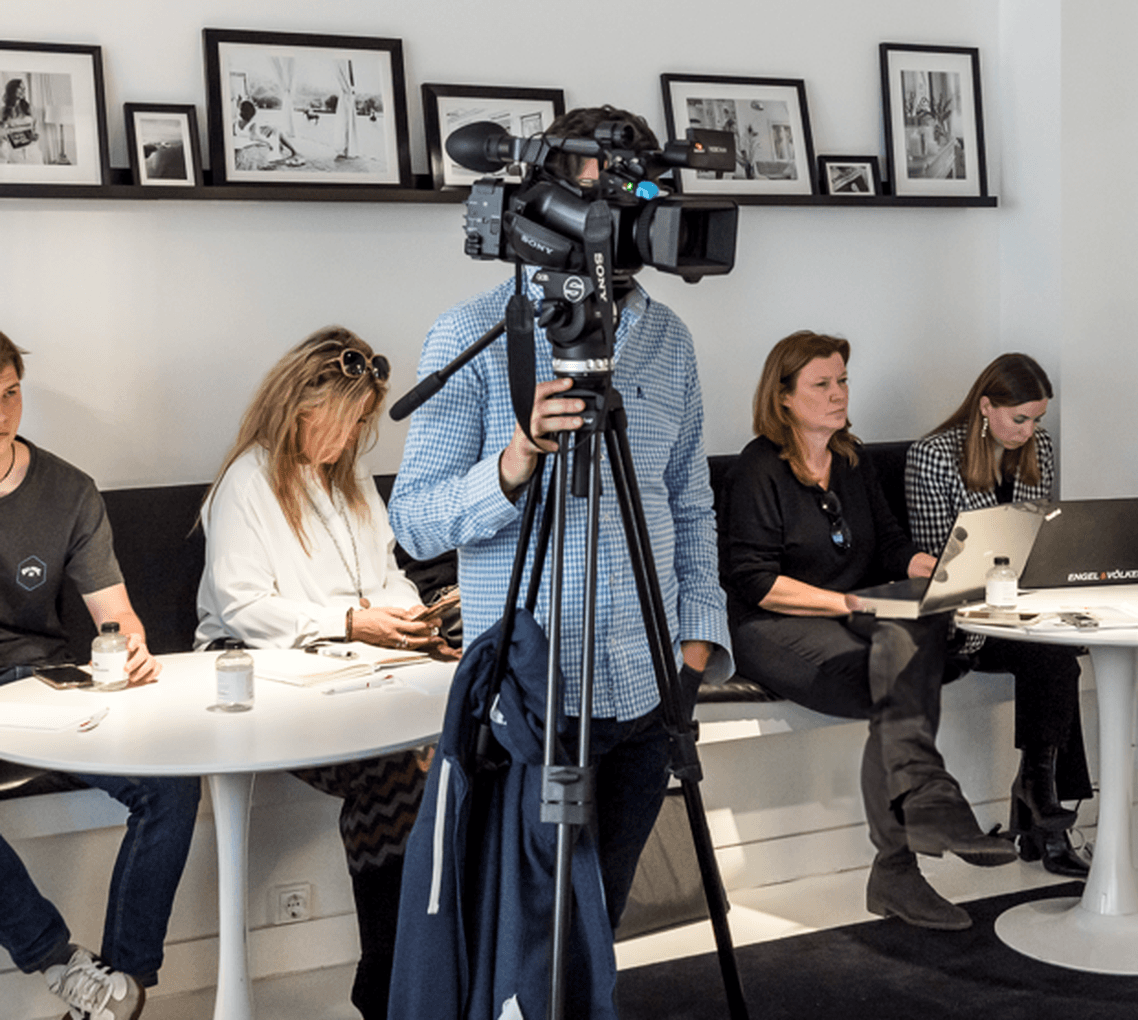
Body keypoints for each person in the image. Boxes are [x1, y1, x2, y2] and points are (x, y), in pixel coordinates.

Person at [387, 101, 732, 954]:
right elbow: (416, 524)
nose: (620, 222)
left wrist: (694, 653)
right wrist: (515, 458)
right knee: (524, 937)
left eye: (637, 196)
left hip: (650, 689)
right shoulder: (471, 335)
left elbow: (691, 506)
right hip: (531, 698)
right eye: (600, 199)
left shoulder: (671, 341)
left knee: (598, 928)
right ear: (544, 206)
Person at [195, 326, 450, 1020]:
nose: (346, 442)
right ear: (299, 407)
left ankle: (414, 972)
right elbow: (243, 607)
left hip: (348, 662)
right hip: (250, 669)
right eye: (339, 424)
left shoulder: (349, 479)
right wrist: (351, 624)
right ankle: (392, 979)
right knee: (393, 768)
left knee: (453, 736)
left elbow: (387, 575)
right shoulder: (248, 480)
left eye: (359, 426)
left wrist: (415, 618)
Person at [721, 331, 1015, 933]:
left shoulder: (850, 460)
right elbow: (754, 582)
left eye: (843, 381)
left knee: (918, 637)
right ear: (783, 399)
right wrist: (847, 600)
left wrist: (934, 566)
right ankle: (914, 835)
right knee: (898, 671)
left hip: (854, 614)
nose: (838, 394)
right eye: (822, 384)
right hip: (773, 625)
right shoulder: (759, 469)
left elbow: (889, 545)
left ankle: (909, 847)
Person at [1, 330, 200, 1020]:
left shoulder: (67, 491)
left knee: (172, 785)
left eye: (10, 394)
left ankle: (121, 988)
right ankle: (60, 962)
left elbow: (117, 617)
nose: (1, 415)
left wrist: (133, 648)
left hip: (39, 684)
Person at [904, 352, 1093, 876]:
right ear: (986, 406)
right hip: (963, 622)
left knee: (1056, 652)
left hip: (1022, 611)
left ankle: (1039, 791)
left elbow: (1043, 541)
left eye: (1037, 420)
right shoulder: (933, 455)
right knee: (1056, 659)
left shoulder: (1041, 449)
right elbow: (937, 562)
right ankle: (1043, 805)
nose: (1029, 431)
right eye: (1020, 419)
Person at [1, 78, 42, 165]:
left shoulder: (30, 108)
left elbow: (37, 126)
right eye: (20, 87)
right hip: (14, 154)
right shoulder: (3, 111)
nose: (23, 90)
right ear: (11, 90)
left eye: (24, 88)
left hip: (32, 151)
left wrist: (36, 135)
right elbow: (1, 133)